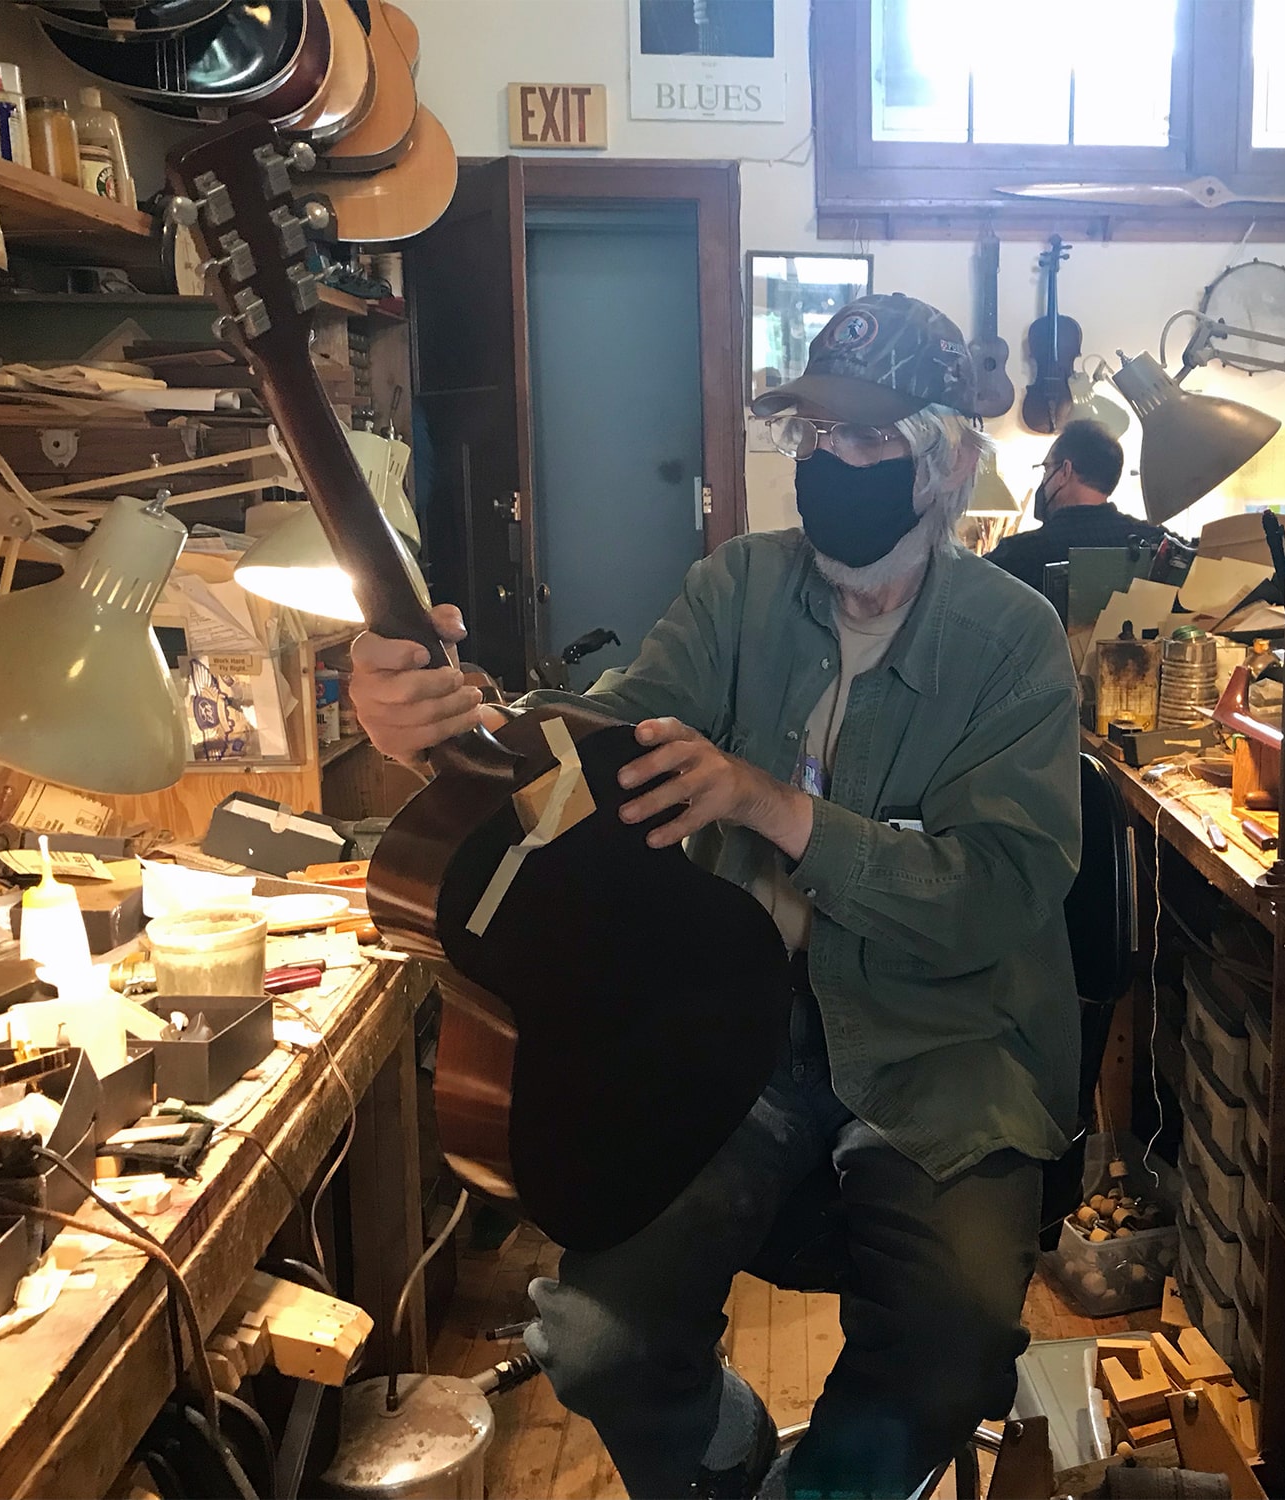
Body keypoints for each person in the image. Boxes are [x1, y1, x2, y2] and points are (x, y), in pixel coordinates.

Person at [347, 293, 1082, 1500]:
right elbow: (608, 740)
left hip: (941, 1050)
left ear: (944, 460)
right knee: (594, 1339)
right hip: (732, 1032)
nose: (832, 467)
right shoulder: (740, 586)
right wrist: (452, 720)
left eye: (867, 441)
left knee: (946, 1356)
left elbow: (992, 898)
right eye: (815, 442)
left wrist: (766, 802)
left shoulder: (1012, 640)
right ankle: (731, 1454)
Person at [984, 418, 1168, 593]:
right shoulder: (1157, 543)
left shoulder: (1018, 554)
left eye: (1046, 467)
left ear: (1065, 470)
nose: (1044, 478)